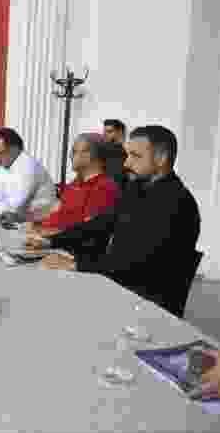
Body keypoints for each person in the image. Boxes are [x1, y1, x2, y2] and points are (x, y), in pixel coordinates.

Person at [26, 125, 201, 318]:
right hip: (120, 284)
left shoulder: (176, 203)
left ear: (161, 159)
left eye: (135, 156)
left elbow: (136, 262)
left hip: (145, 305)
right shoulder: (139, 188)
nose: (126, 163)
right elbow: (103, 222)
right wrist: (52, 241)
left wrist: (75, 264)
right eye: (127, 155)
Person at [29, 133, 119, 236]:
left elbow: (87, 231)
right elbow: (60, 213)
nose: (71, 156)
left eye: (75, 151)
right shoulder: (75, 183)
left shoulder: (104, 187)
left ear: (91, 155)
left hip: (61, 243)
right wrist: (35, 224)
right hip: (44, 237)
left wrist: (45, 235)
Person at [0, 127, 57, 220]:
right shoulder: (7, 165)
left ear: (14, 149)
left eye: (0, 153)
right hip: (19, 220)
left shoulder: (28, 167)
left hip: (42, 222)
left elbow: (14, 206)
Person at [102, 118, 128, 189]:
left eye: (109, 131)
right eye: (104, 132)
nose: (104, 135)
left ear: (120, 132)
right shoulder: (103, 150)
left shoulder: (128, 150)